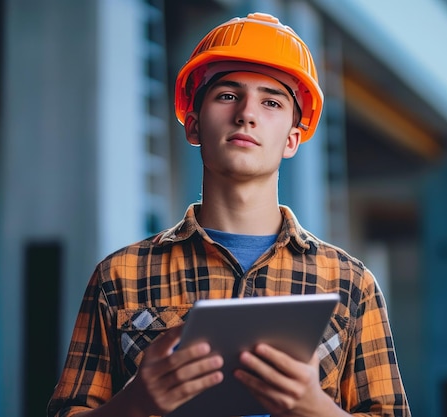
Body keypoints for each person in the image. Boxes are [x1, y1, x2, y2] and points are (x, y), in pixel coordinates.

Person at [47, 12, 411, 417]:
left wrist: (313, 409)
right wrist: (136, 403)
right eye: (226, 95)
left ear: (292, 139)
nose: (246, 114)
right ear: (193, 125)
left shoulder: (350, 285)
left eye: (271, 101)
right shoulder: (119, 277)